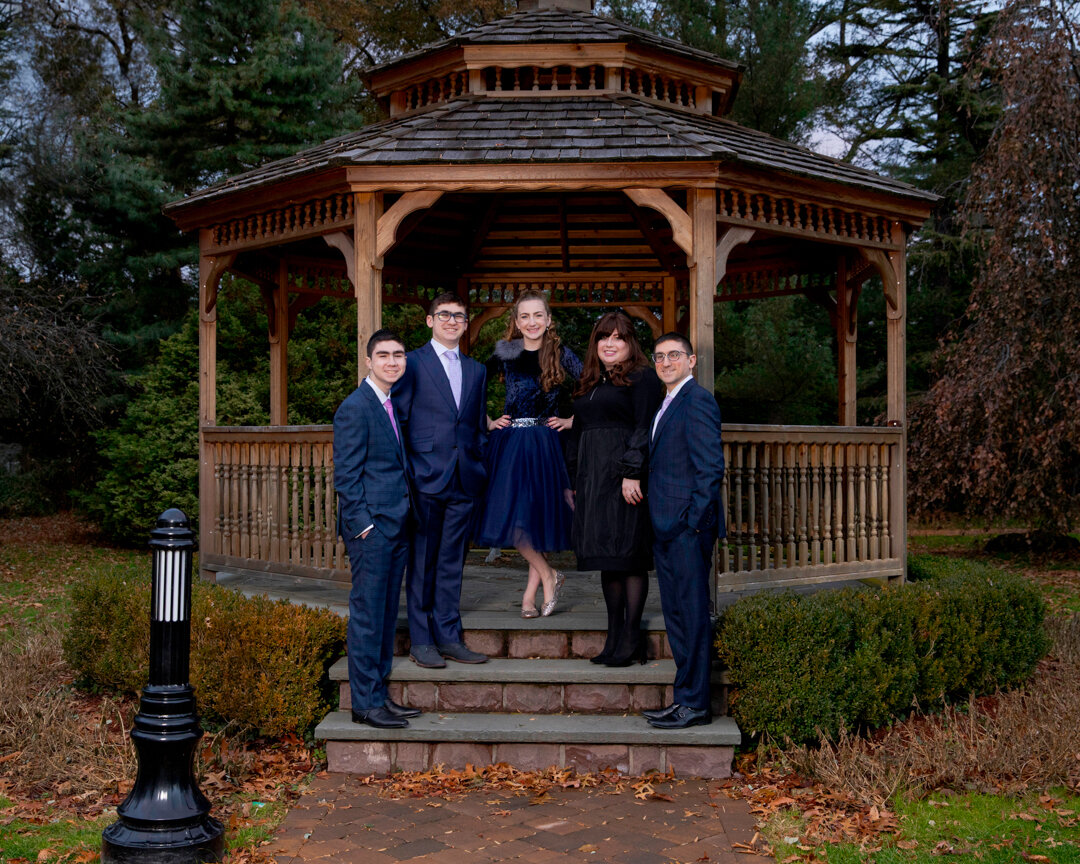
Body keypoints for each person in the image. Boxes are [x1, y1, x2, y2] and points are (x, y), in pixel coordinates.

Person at [392, 293, 490, 668]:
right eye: (445, 314)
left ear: (466, 324)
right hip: (425, 478)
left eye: (459, 316)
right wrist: (410, 473)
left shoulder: (477, 370)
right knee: (422, 562)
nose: (452, 321)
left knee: (452, 563)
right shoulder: (412, 363)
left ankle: (449, 637)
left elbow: (476, 424)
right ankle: (422, 641)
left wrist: (477, 462)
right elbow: (400, 422)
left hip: (465, 478)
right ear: (430, 320)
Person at [333, 330, 421, 729]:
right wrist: (363, 527)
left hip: (396, 524)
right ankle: (365, 705)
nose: (392, 361)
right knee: (368, 616)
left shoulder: (389, 402)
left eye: (398, 355)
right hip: (372, 530)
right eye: (383, 355)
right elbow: (346, 475)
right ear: (369, 361)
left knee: (385, 616)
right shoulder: (356, 407)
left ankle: (379, 696)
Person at [476, 290, 583, 618]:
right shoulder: (505, 351)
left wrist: (572, 420)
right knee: (515, 520)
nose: (532, 321)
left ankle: (528, 597)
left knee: (536, 519)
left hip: (545, 445)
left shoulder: (560, 352)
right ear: (516, 321)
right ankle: (550, 575)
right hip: (511, 445)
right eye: (525, 316)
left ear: (548, 320)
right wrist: (488, 421)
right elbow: (471, 386)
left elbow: (593, 385)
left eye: (538, 315)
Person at [568, 310, 663, 666]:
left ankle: (631, 639)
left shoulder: (642, 377)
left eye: (618, 337)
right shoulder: (590, 381)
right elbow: (579, 432)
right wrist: (573, 480)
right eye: (603, 337)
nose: (610, 343)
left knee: (628, 555)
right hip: (593, 481)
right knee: (608, 559)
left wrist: (633, 472)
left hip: (625, 477)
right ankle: (613, 638)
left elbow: (644, 427)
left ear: (630, 343)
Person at [642, 333, 724, 730]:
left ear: (691, 361)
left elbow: (710, 468)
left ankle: (695, 705)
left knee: (691, 616)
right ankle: (684, 699)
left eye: (674, 355)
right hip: (666, 526)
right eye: (659, 356)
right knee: (676, 616)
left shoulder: (698, 400)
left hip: (687, 528)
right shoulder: (668, 402)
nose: (666, 362)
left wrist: (692, 522)